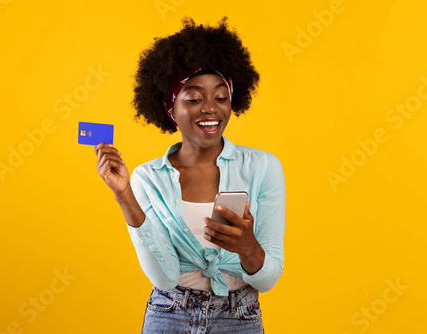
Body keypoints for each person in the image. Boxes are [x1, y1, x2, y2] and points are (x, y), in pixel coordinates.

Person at [94, 16, 286, 333]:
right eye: (194, 98)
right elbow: (164, 277)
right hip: (169, 313)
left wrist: (248, 248)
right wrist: (124, 194)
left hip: (239, 317)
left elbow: (268, 279)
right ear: (171, 109)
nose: (210, 108)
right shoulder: (147, 178)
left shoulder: (263, 168)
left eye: (221, 97)